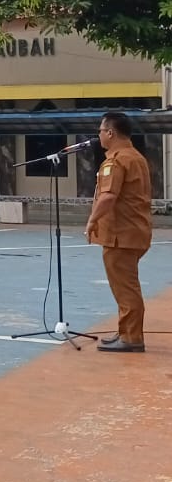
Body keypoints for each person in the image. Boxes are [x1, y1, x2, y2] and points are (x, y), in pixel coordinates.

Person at [88, 111, 154, 353]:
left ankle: (132, 337)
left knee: (126, 288)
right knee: (126, 286)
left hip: (121, 235)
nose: (99, 135)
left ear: (110, 133)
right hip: (134, 232)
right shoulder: (136, 157)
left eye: (101, 131)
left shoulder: (116, 161)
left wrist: (92, 221)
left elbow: (108, 196)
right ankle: (126, 330)